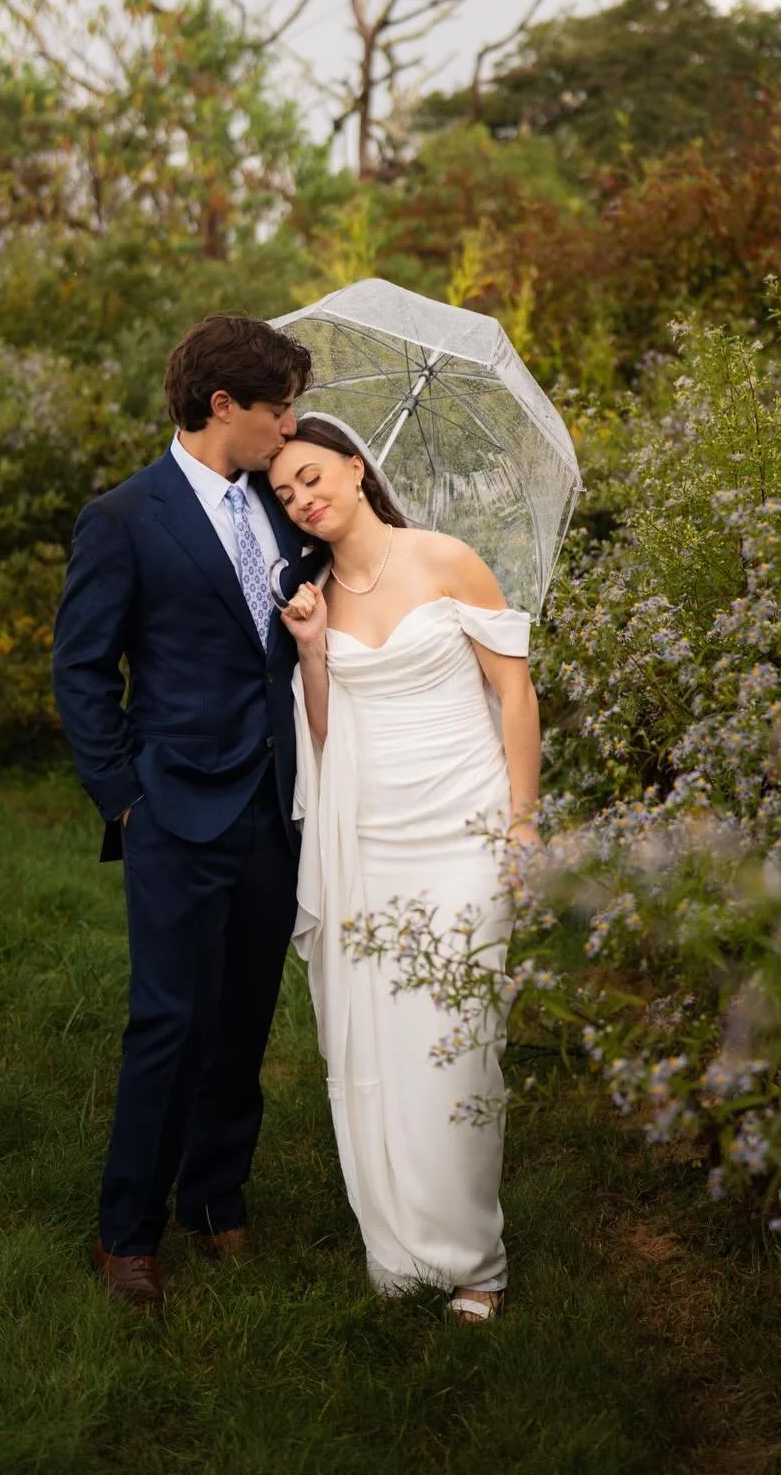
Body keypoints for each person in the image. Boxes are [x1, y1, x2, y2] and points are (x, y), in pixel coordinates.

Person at [51, 314, 316, 1310]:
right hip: (172, 808)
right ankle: (129, 1232)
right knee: (169, 1021)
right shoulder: (124, 517)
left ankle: (218, 1198)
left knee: (245, 1018)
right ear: (222, 406)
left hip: (275, 805)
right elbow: (81, 671)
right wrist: (124, 800)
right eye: (277, 408)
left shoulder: (282, 508)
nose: (290, 428)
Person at [268, 413, 541, 1323]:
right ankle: (402, 1242)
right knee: (382, 1044)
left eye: (312, 476)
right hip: (372, 844)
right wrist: (310, 649)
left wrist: (523, 820)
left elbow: (514, 692)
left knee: (459, 1046)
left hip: (464, 830)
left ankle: (475, 1261)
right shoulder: (312, 597)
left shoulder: (445, 559)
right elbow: (320, 737)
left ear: (355, 467)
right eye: (285, 493)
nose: (303, 499)